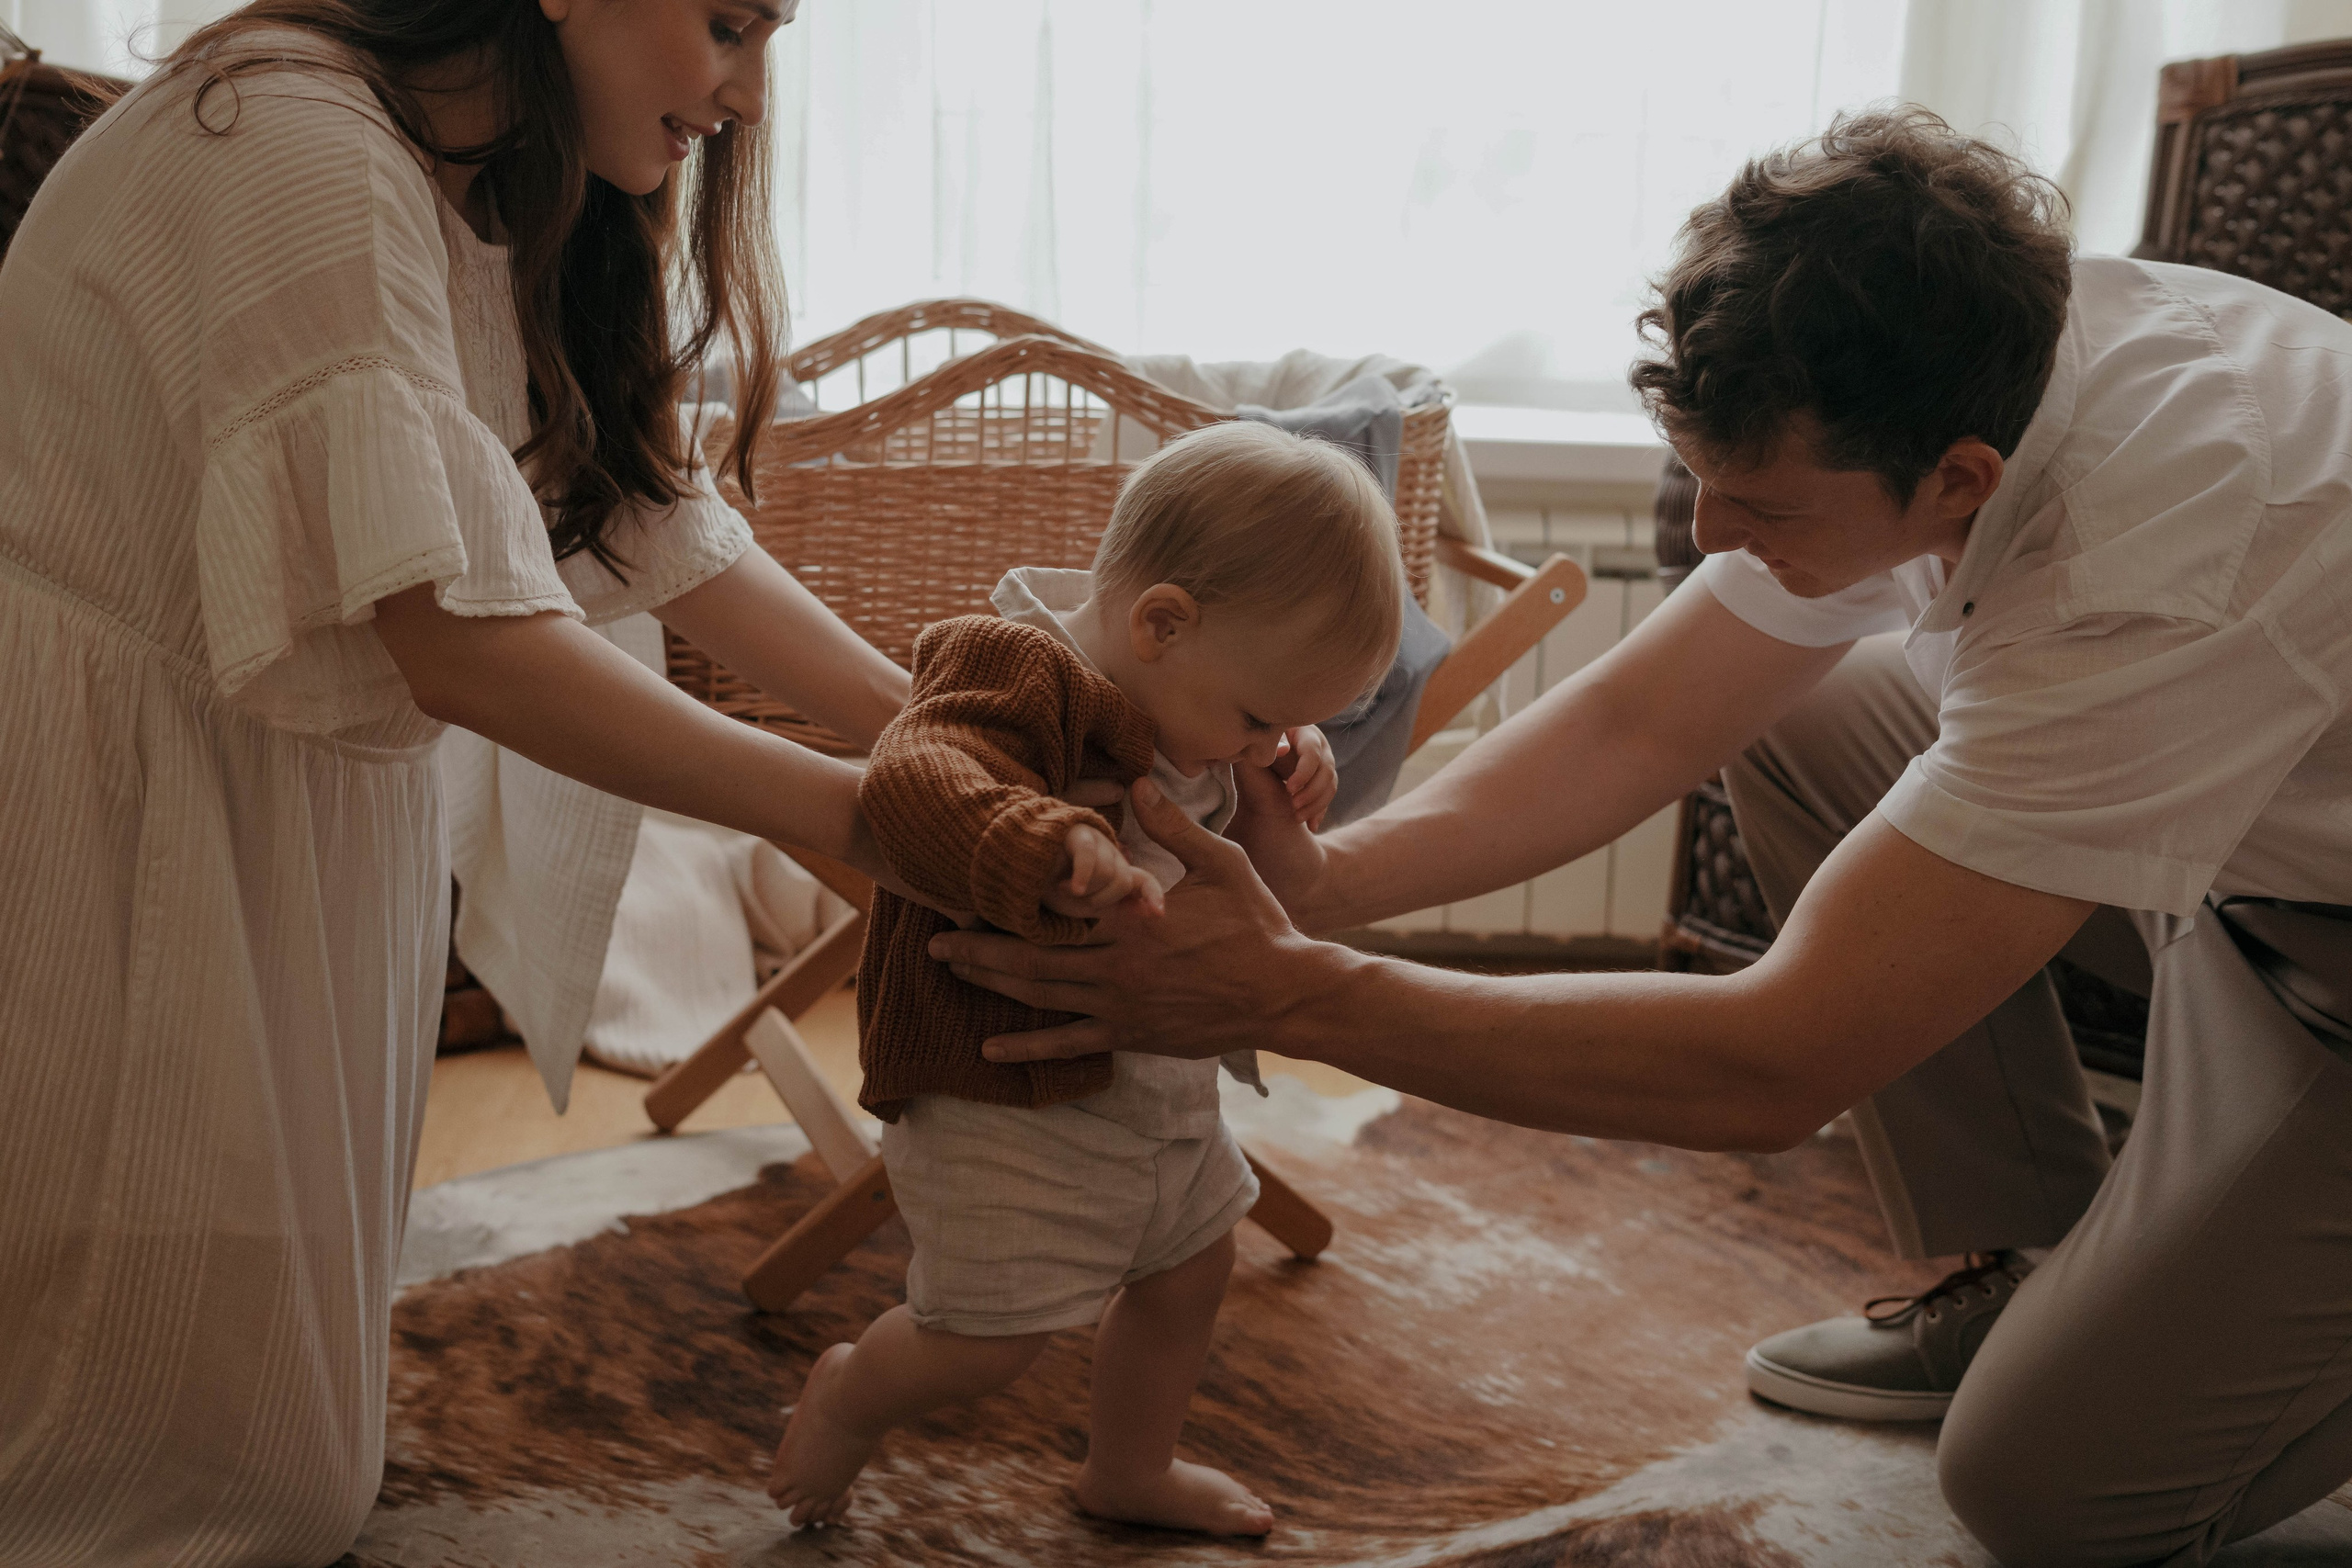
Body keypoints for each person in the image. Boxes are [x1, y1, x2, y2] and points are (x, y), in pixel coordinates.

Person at [933, 109, 2352, 1566]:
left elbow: (1778, 1058)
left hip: (2325, 948)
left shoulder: (2160, 550)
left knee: (2053, 1495)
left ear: (1961, 483)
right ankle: (2029, 1261)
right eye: (1698, 472)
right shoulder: (1960, 340)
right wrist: (1327, 883)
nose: (1714, 535)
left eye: (1765, 504)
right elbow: (1643, 725)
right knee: (1813, 710)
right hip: (2252, 845)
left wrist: (1290, 994)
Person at [0, 2, 914, 1562]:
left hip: (264, 783)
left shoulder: (468, 175)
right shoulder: (293, 146)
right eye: (728, 26)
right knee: (184, 1465)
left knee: (272, 1426)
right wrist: (857, 816)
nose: (749, 95)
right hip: (109, 776)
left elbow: (640, 518)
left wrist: (925, 725)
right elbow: (472, 644)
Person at [768, 422, 1392, 1537]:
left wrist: (1285, 770)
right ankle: (853, 1389)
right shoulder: (1013, 663)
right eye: (1259, 719)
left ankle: (1128, 1468)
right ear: (1160, 623)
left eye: (1286, 728)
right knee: (980, 1343)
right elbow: (915, 772)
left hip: (1161, 1090)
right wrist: (1031, 836)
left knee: (1189, 1276)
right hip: (1006, 1098)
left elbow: (1248, 835)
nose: (1259, 746)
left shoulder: (1193, 711)